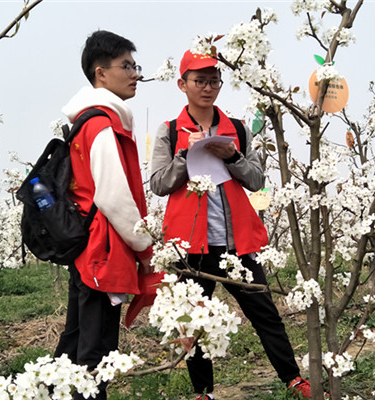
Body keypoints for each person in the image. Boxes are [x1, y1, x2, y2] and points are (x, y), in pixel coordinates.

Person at [150, 50, 311, 400]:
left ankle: (294, 379)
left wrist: (233, 156)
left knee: (265, 313)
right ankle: (203, 392)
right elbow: (159, 184)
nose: (207, 88)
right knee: (192, 322)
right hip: (189, 246)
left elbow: (256, 180)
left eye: (214, 81)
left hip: (239, 243)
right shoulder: (170, 131)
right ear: (182, 84)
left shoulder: (236, 129)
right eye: (199, 81)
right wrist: (184, 155)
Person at [54, 30, 153, 400]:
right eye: (126, 66)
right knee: (95, 355)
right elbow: (113, 196)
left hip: (89, 250)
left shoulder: (90, 119)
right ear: (101, 73)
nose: (135, 74)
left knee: (75, 343)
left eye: (135, 66)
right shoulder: (101, 124)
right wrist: (146, 248)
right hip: (103, 251)